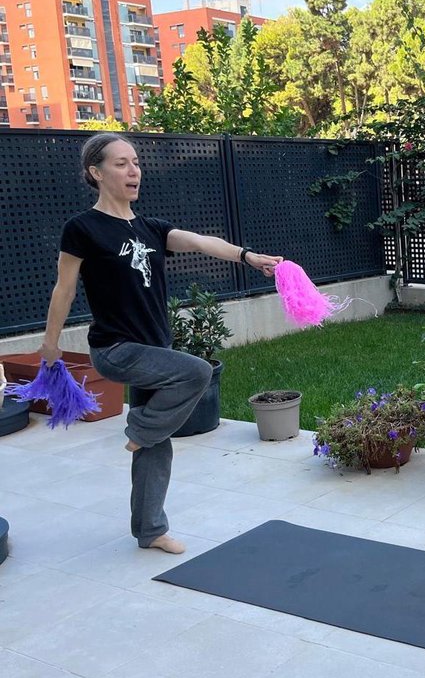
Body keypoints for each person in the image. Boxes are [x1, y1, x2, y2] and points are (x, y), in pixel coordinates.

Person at [37, 133, 282, 555]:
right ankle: (138, 430)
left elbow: (203, 242)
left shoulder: (151, 228)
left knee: (156, 447)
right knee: (198, 372)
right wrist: (50, 343)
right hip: (116, 349)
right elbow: (64, 288)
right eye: (121, 163)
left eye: (135, 162)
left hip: (154, 350)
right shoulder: (82, 228)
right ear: (96, 173)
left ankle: (150, 530)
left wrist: (247, 256)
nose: (134, 170)